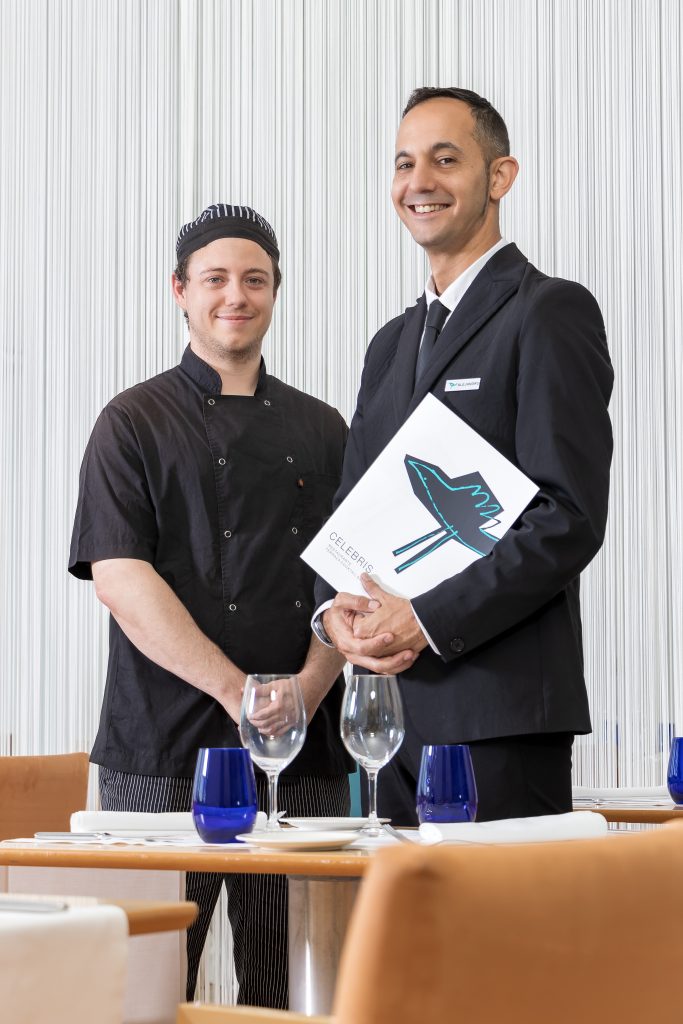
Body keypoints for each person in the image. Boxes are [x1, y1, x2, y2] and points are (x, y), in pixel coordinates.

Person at [69, 203, 351, 1007]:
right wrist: (242, 693)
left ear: (275, 292)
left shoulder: (324, 428)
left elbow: (348, 580)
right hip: (160, 750)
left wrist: (304, 692)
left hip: (302, 755)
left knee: (295, 984)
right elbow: (121, 578)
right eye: (217, 279)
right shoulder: (131, 421)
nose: (237, 295)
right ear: (180, 292)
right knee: (144, 986)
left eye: (255, 279)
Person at [314, 88, 614, 825]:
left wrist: (424, 619)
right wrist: (335, 618)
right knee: (399, 943)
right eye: (404, 163)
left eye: (445, 160)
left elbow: (565, 518)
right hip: (385, 722)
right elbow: (353, 521)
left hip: (498, 718)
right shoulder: (389, 343)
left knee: (500, 944)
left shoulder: (547, 312)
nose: (419, 181)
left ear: (500, 176)